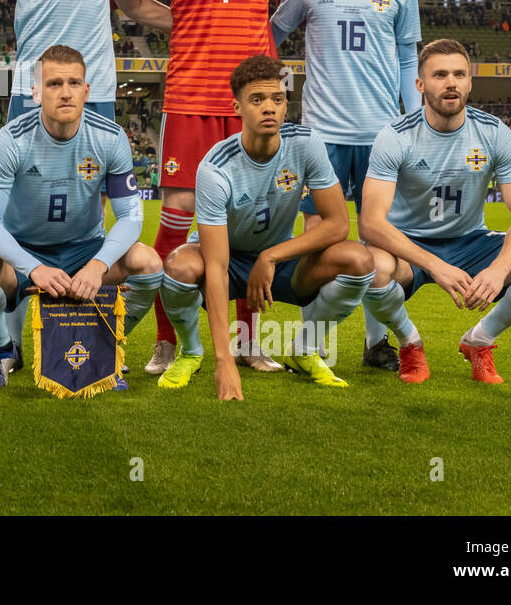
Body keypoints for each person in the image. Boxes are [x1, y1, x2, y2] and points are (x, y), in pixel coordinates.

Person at [0, 0, 170, 366]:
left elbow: (135, 6)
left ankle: (96, 331)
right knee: (21, 209)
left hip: (98, 91)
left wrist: (201, 23)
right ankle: (17, 338)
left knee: (100, 207)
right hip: (30, 90)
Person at [133, 0, 294, 377]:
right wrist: (176, 21)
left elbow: (293, 1)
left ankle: (249, 342)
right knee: (176, 216)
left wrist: (263, 44)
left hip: (252, 101)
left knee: (254, 222)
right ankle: (166, 341)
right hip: (190, 96)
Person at [270, 0, 422, 373]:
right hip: (322, 137)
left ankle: (377, 343)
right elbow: (270, 36)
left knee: (381, 242)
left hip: (382, 136)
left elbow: (406, 58)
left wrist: (413, 118)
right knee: (320, 238)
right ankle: (310, 345)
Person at [359, 39, 511, 383]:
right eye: (440, 74)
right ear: (420, 84)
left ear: (470, 82)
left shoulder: (494, 133)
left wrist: (499, 270)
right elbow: (370, 223)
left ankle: (479, 340)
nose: (451, 83)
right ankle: (409, 342)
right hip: (408, 244)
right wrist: (435, 265)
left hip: (470, 240)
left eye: (459, 74)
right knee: (369, 269)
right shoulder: (395, 137)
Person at [160, 55, 374, 398]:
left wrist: (271, 256)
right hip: (224, 261)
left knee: (359, 260)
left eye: (277, 99)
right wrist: (225, 361)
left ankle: (305, 350)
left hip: (278, 259)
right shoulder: (215, 167)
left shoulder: (306, 144)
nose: (269, 108)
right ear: (237, 107)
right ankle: (192, 351)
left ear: (286, 104)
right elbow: (215, 265)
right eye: (257, 100)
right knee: (177, 267)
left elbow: (337, 225)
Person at [0, 45, 164, 390]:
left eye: (74, 83)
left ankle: (105, 346)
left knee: (148, 262)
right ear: (36, 92)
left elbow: (130, 216)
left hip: (85, 249)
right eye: (54, 84)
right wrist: (32, 267)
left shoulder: (110, 138)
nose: (65, 92)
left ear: (87, 91)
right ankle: (2, 350)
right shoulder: (12, 140)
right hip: (25, 252)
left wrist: (97, 265)